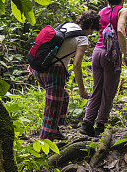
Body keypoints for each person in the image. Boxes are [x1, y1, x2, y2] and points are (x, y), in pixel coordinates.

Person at [32, 11, 100, 141]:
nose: (91, 34)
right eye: (92, 30)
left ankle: (55, 130)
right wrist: (82, 89)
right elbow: (76, 65)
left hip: (38, 68)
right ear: (90, 24)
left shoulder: (65, 25)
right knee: (51, 110)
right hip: (54, 73)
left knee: (63, 97)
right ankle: (45, 144)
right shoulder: (82, 39)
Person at [80, 0, 127, 137]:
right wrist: (125, 54)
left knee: (97, 89)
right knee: (109, 91)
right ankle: (100, 126)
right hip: (111, 55)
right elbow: (120, 30)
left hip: (97, 52)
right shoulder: (123, 10)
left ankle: (87, 123)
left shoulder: (102, 11)